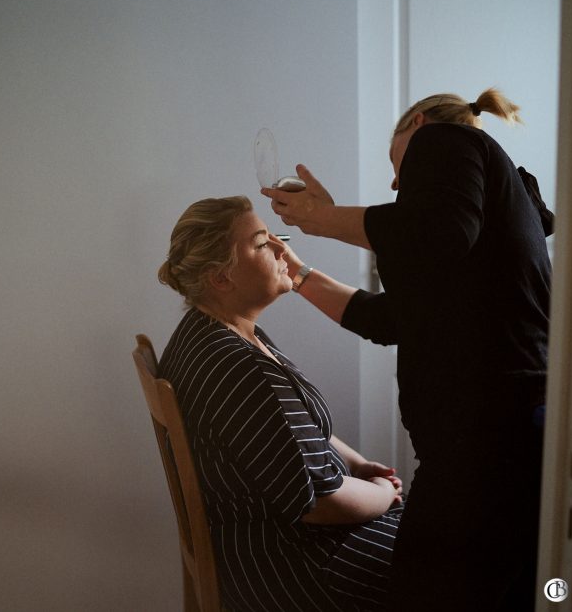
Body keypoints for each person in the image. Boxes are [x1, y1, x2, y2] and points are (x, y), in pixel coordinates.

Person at [261, 88, 551, 611]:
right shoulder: (475, 226)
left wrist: (321, 218)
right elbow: (390, 319)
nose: (397, 182)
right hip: (492, 439)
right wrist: (300, 273)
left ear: (415, 123)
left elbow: (436, 231)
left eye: (397, 163)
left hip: (485, 443)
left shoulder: (445, 138)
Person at [158, 196, 405, 612]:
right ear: (221, 278)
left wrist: (358, 465)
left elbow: (295, 429)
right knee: (454, 567)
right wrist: (383, 493)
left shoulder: (214, 333)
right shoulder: (238, 366)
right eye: (260, 243)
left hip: (264, 545)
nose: (280, 247)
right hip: (294, 565)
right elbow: (321, 504)